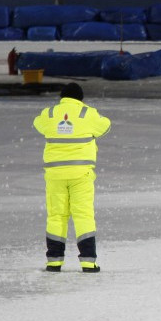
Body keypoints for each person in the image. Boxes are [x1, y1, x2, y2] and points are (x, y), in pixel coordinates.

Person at [33, 83, 111, 272]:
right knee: (83, 215)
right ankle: (88, 262)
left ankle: (54, 261)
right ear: (80, 98)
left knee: (56, 216)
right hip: (80, 174)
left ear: (62, 97)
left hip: (55, 175)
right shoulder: (87, 113)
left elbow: (38, 124)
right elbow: (106, 125)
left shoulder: (50, 113)